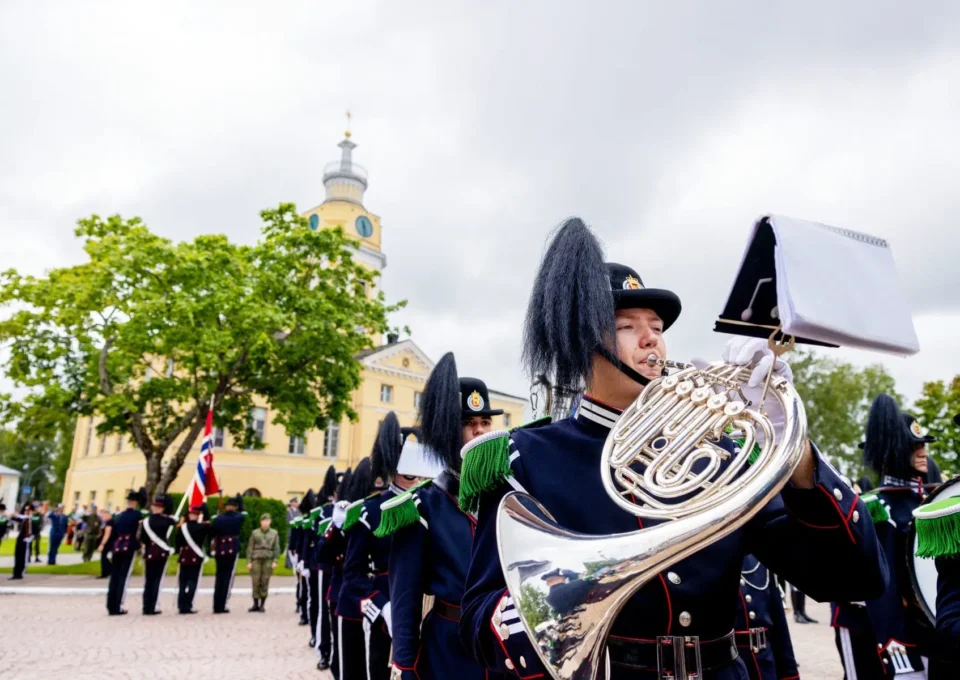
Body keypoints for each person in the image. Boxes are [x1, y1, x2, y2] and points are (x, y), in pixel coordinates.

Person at [458, 218, 887, 680]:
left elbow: (849, 577)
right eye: (627, 326)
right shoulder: (527, 458)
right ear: (582, 345)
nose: (652, 339)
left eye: (657, 326)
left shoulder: (723, 455)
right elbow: (479, 616)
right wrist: (548, 615)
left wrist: (792, 450)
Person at [382, 354, 504, 680]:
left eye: (485, 423)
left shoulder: (508, 495)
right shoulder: (422, 506)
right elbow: (405, 597)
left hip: (503, 649)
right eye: (468, 424)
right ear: (449, 431)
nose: (479, 431)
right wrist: (405, 664)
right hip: (450, 650)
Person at [339, 413, 422, 680]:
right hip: (385, 607)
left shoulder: (432, 503)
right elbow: (353, 574)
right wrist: (381, 606)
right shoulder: (371, 511)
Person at [859, 394, 934, 677]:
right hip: (909, 637)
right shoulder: (879, 508)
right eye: (915, 446)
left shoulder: (927, 501)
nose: (923, 452)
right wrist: (898, 649)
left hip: (940, 634)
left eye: (923, 445)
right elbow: (884, 591)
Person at [733, 555, 799, 680]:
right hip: (731, 669)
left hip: (765, 666)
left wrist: (790, 674)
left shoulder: (760, 559)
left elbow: (779, 625)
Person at [316, 468, 353, 679]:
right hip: (338, 583)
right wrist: (336, 526)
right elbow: (321, 553)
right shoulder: (332, 515)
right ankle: (325, 651)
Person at [312, 465, 339, 670]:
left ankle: (337, 654)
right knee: (323, 609)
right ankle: (324, 651)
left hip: (342, 569)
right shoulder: (324, 512)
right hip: (326, 566)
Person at [105, 488, 145, 615]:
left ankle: (111, 605)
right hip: (129, 546)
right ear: (136, 502)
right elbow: (139, 532)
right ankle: (118, 605)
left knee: (115, 576)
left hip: (117, 546)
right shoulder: (138, 515)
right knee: (123, 576)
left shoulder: (119, 515)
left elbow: (114, 532)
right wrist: (140, 545)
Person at [140, 494, 176, 615]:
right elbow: (174, 523)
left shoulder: (145, 521)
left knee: (148, 580)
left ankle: (146, 606)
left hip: (150, 552)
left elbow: (143, 538)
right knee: (157, 580)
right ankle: (153, 605)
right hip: (161, 552)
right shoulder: (167, 520)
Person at [210, 494, 245, 614]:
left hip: (220, 549)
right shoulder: (238, 517)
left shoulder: (218, 518)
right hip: (231, 549)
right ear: (235, 507)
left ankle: (216, 605)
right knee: (227, 578)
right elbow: (243, 514)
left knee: (219, 577)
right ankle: (223, 604)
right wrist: (240, 502)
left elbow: (213, 532)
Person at [175, 504, 208, 615]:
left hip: (184, 556)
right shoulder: (202, 527)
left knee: (183, 582)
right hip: (196, 556)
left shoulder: (182, 527)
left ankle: (181, 606)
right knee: (192, 582)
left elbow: (178, 543)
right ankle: (188, 605)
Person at [247, 512, 280, 612]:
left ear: (270, 522)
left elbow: (276, 548)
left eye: (267, 521)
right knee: (255, 581)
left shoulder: (274, 533)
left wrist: (275, 560)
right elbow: (250, 547)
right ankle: (255, 604)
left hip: (268, 559)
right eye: (264, 521)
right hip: (256, 558)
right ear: (260, 522)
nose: (265, 523)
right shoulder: (255, 533)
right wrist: (249, 561)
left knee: (265, 580)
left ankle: (262, 604)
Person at [8, 503, 34, 580]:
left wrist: (30, 538)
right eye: (25, 510)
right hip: (20, 539)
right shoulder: (24, 518)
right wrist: (12, 514)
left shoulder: (32, 519)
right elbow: (12, 518)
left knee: (23, 557)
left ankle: (21, 573)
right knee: (17, 556)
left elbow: (35, 530)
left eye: (28, 510)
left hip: (26, 540)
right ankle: (16, 574)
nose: (26, 511)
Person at [97, 507, 114, 579]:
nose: (102, 518)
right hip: (110, 542)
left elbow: (107, 534)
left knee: (104, 557)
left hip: (109, 543)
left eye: (102, 516)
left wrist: (102, 544)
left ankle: (107, 572)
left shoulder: (109, 523)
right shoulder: (110, 522)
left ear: (107, 514)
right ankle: (108, 572)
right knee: (105, 557)